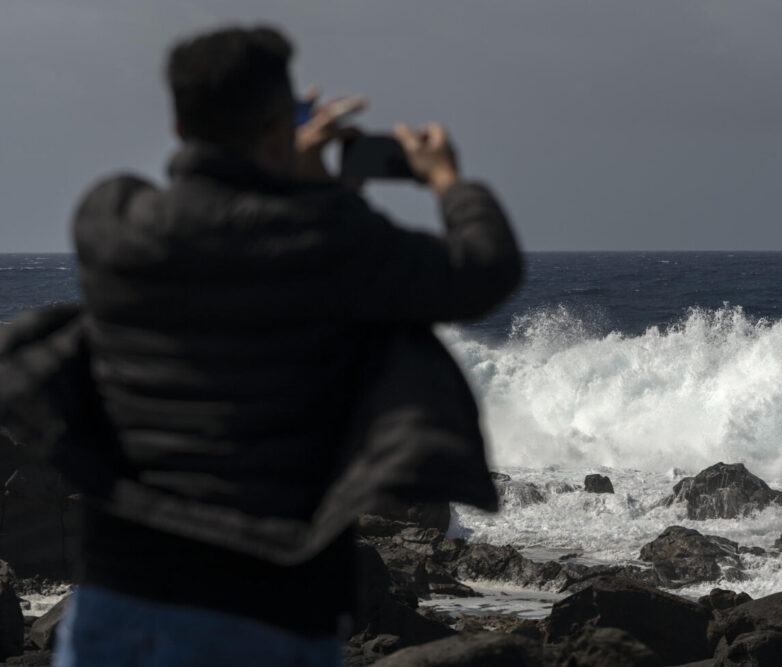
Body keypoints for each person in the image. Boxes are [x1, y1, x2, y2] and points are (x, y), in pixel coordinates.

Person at [43, 24, 521, 666]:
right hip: (264, 618)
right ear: (279, 126)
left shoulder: (113, 221)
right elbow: (482, 268)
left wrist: (292, 181)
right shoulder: (326, 238)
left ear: (180, 125)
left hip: (113, 610)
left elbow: (234, 244)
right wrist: (444, 178)